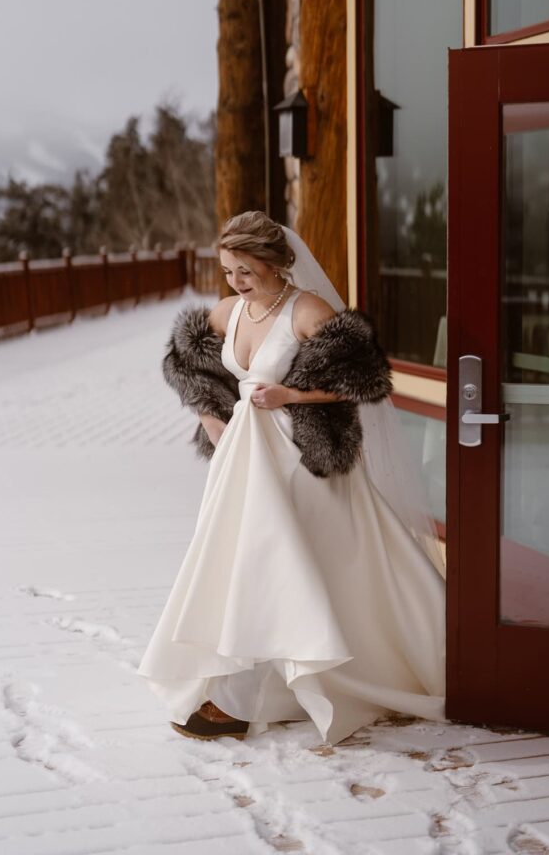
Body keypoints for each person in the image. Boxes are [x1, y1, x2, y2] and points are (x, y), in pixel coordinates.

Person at [136, 211, 446, 744]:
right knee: (242, 561)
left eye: (246, 271)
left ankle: (237, 699)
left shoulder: (308, 311)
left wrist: (291, 395)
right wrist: (208, 414)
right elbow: (183, 363)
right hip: (243, 458)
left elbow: (364, 381)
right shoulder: (229, 311)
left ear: (276, 263)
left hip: (302, 459)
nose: (235, 282)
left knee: (270, 564)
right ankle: (249, 688)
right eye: (229, 270)